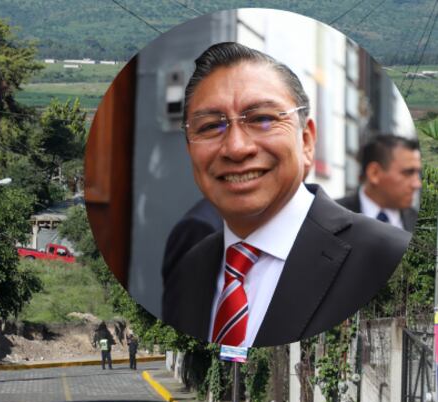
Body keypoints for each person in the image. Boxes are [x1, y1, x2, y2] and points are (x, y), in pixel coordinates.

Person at [160, 43, 409, 348]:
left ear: (306, 140)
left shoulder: (386, 256)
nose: (237, 148)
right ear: (190, 151)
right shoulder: (187, 274)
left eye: (262, 119)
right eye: (211, 126)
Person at [337, 135, 420, 233]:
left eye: (418, 173)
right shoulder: (332, 215)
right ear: (374, 173)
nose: (417, 184)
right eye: (408, 173)